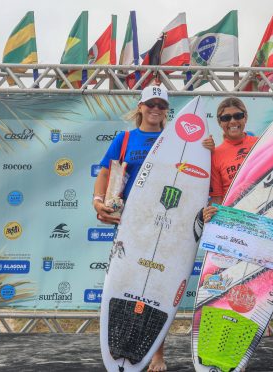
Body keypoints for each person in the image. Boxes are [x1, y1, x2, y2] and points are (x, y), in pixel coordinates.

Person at [201, 96, 273, 372]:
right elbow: (218, 197)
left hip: (267, 225)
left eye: (237, 115)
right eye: (226, 117)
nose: (233, 121)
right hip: (235, 229)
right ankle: (230, 354)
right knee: (225, 290)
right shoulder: (215, 154)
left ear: (245, 118)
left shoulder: (261, 145)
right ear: (220, 122)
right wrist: (211, 213)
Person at [92, 84, 171, 371]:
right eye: (150, 103)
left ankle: (156, 354)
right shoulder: (125, 139)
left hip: (165, 226)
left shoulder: (175, 139)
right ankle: (125, 347)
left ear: (166, 111)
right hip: (130, 226)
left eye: (161, 105)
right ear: (140, 107)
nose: (155, 109)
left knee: (158, 288)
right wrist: (98, 201)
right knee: (130, 287)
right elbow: (105, 172)